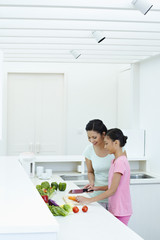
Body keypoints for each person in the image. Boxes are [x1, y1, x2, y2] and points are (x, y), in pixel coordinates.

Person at [77, 128, 132, 226]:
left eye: (106, 143)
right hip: (115, 208)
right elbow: (112, 186)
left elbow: (112, 190)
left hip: (121, 210)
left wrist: (89, 200)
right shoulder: (114, 161)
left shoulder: (120, 162)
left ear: (115, 143)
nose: (105, 147)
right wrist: (96, 188)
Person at [82, 119, 114, 208]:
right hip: (96, 197)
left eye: (94, 137)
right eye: (89, 137)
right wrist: (92, 184)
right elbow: (90, 171)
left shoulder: (115, 148)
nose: (91, 141)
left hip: (114, 197)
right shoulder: (89, 150)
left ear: (103, 134)